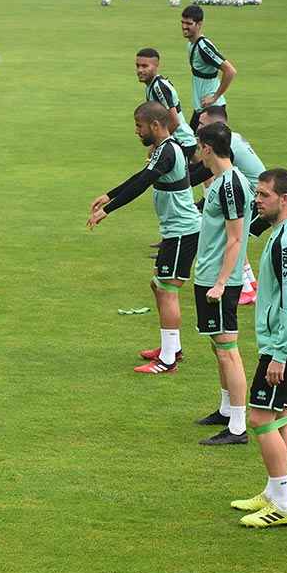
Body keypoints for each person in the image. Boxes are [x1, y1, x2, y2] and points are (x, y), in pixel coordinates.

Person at [87, 102, 201, 374]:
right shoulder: (163, 149)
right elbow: (140, 176)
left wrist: (108, 210)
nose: (136, 131)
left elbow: (142, 184)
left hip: (182, 232)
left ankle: (168, 360)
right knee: (157, 285)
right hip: (175, 231)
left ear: (155, 125)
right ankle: (171, 347)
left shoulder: (168, 152)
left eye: (139, 126)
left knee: (167, 290)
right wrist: (110, 194)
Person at [232, 169, 287, 528]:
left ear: (284, 199)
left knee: (260, 417)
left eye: (264, 195)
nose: (257, 200)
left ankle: (283, 503)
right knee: (278, 414)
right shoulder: (284, 233)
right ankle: (274, 491)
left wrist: (279, 353)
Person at [191, 122, 252, 445]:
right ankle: (227, 409)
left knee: (228, 350)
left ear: (208, 148)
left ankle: (238, 427)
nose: (198, 152)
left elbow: (235, 237)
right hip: (210, 275)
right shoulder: (220, 182)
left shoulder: (230, 185)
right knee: (218, 346)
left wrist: (221, 283)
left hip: (219, 280)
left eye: (199, 146)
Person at [190, 105, 267, 308]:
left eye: (202, 124)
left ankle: (244, 288)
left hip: (255, 202)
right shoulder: (231, 138)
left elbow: (201, 173)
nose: (199, 127)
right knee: (235, 238)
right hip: (255, 196)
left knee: (232, 238)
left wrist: (176, 181)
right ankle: (250, 285)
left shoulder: (225, 151)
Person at [181, 5, 237, 132]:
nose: (184, 26)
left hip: (212, 110)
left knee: (206, 149)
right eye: (183, 22)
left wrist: (214, 97)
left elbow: (230, 71)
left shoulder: (203, 47)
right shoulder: (191, 44)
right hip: (202, 108)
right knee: (192, 146)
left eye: (189, 23)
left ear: (199, 24)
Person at [135, 48, 197, 161]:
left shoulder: (159, 87)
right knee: (203, 172)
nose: (140, 70)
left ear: (156, 66)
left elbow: (174, 121)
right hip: (184, 141)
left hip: (181, 142)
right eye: (138, 66)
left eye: (145, 66)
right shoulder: (151, 86)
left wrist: (156, 146)